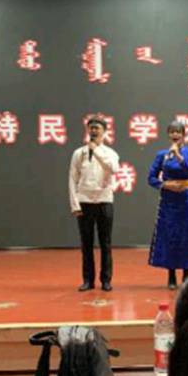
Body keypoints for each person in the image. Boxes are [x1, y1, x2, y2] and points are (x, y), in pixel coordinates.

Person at [147, 120, 188, 289]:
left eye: (178, 132)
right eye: (172, 132)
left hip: (187, 200)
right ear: (168, 135)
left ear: (184, 135)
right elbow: (151, 178)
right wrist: (165, 185)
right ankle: (171, 275)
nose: (175, 135)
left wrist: (179, 156)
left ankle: (187, 274)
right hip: (169, 200)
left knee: (187, 235)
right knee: (170, 235)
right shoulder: (162, 155)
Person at [68, 117, 120, 291]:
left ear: (105, 131)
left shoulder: (110, 153)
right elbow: (72, 179)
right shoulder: (79, 153)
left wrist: (96, 151)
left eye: (97, 128)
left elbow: (113, 169)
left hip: (104, 200)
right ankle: (88, 280)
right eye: (91, 128)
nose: (94, 131)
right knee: (86, 244)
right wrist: (75, 204)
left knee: (106, 243)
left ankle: (106, 280)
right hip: (84, 202)